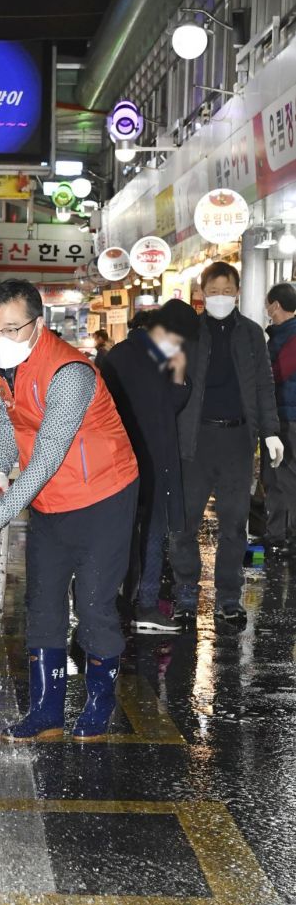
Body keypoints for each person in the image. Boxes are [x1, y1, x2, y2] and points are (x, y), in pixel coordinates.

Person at [0, 279, 139, 743]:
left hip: (103, 493)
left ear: (39, 324)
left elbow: (46, 457)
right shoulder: (3, 365)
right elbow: (7, 418)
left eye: (12, 328)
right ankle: (46, 712)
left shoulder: (70, 374)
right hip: (50, 499)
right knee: (42, 602)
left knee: (95, 603)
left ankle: (99, 703)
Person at [168, 261, 283, 629]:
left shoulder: (252, 334)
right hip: (194, 441)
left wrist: (271, 432)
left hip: (236, 440)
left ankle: (228, 598)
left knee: (235, 525)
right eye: (213, 291)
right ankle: (185, 594)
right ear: (201, 293)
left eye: (226, 290)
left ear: (237, 292)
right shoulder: (187, 333)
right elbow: (168, 385)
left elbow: (265, 387)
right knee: (183, 524)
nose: (220, 297)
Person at [102, 300, 200, 632]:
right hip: (155, 460)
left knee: (119, 534)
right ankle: (144, 605)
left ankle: (109, 606)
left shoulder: (118, 355)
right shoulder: (165, 358)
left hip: (118, 458)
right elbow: (173, 404)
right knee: (153, 532)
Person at [262, 282, 296, 554]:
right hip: (276, 415)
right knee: (273, 478)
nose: (266, 310)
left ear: (275, 305)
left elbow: (279, 372)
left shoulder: (292, 335)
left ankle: (289, 537)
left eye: (268, 304)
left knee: (287, 478)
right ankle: (275, 535)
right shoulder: (279, 335)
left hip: (289, 418)